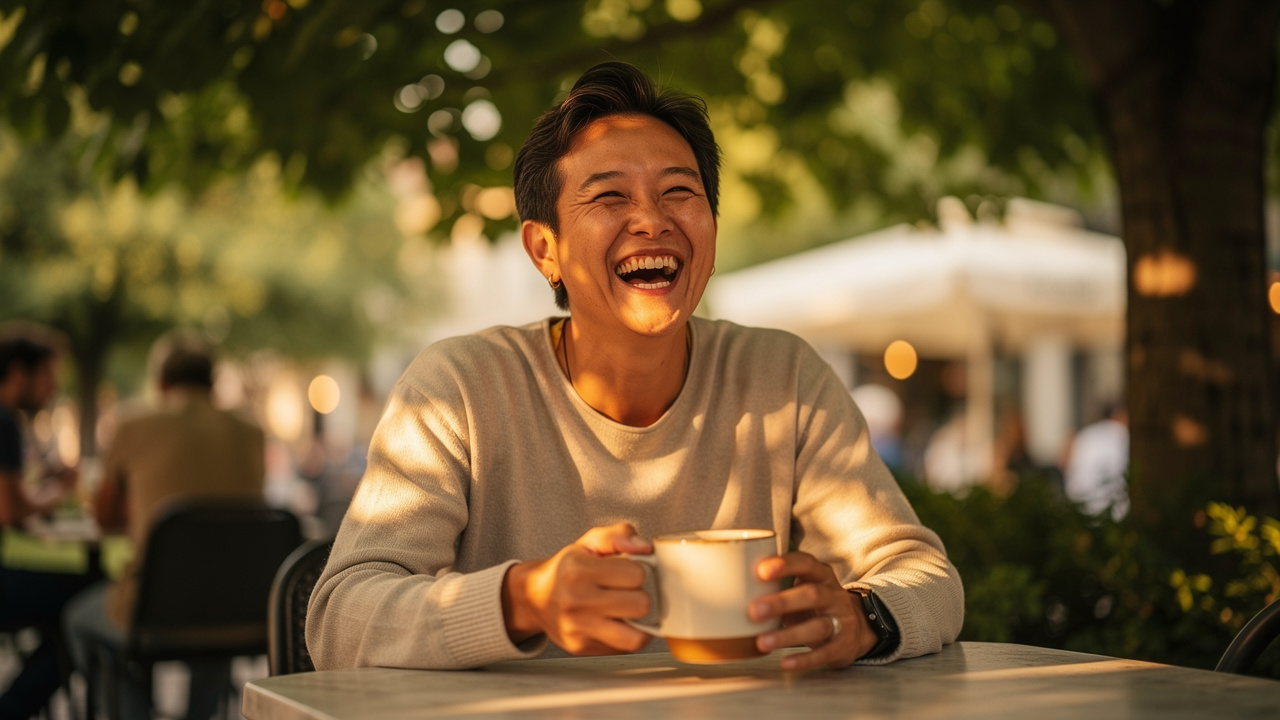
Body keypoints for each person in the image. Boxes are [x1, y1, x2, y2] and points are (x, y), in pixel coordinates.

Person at [307, 62, 963, 673]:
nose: (652, 219)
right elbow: (340, 618)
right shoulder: (458, 389)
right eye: (609, 197)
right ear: (545, 250)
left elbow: (922, 574)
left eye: (680, 191)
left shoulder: (782, 379)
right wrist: (524, 599)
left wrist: (866, 617)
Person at [63, 335, 265, 720]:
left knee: (76, 619)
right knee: (211, 615)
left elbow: (104, 518)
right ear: (212, 384)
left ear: (161, 385)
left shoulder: (133, 425)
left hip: (154, 610)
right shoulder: (251, 431)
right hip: (238, 609)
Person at [0, 328, 96, 720]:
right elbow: (10, 510)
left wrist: (44, 487)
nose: (53, 388)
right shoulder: (3, 421)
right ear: (19, 372)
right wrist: (61, 490)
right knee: (88, 602)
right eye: (48, 376)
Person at [1063, 404, 1129, 519]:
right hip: (1118, 517)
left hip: (1084, 513)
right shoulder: (1123, 435)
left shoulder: (1085, 436)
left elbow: (1069, 470)